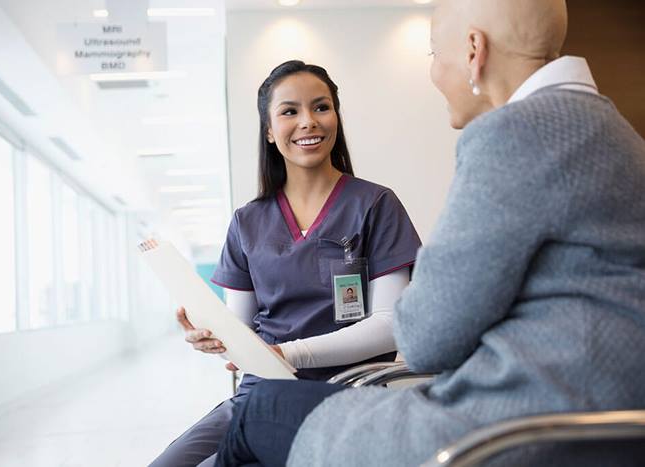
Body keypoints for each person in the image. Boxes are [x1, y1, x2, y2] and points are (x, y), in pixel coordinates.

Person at [213, 0, 645, 466]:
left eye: (435, 54)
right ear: (270, 132)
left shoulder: (512, 136)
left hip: (513, 424)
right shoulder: (613, 131)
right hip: (602, 413)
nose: (435, 73)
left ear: (474, 50)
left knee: (258, 412)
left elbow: (425, 338)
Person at [149, 60, 422, 467]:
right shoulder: (247, 221)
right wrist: (214, 336)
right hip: (260, 393)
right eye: (290, 111)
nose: (308, 122)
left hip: (342, 396)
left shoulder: (375, 205)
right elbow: (240, 329)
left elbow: (388, 326)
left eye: (321, 107)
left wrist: (287, 353)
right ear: (269, 131)